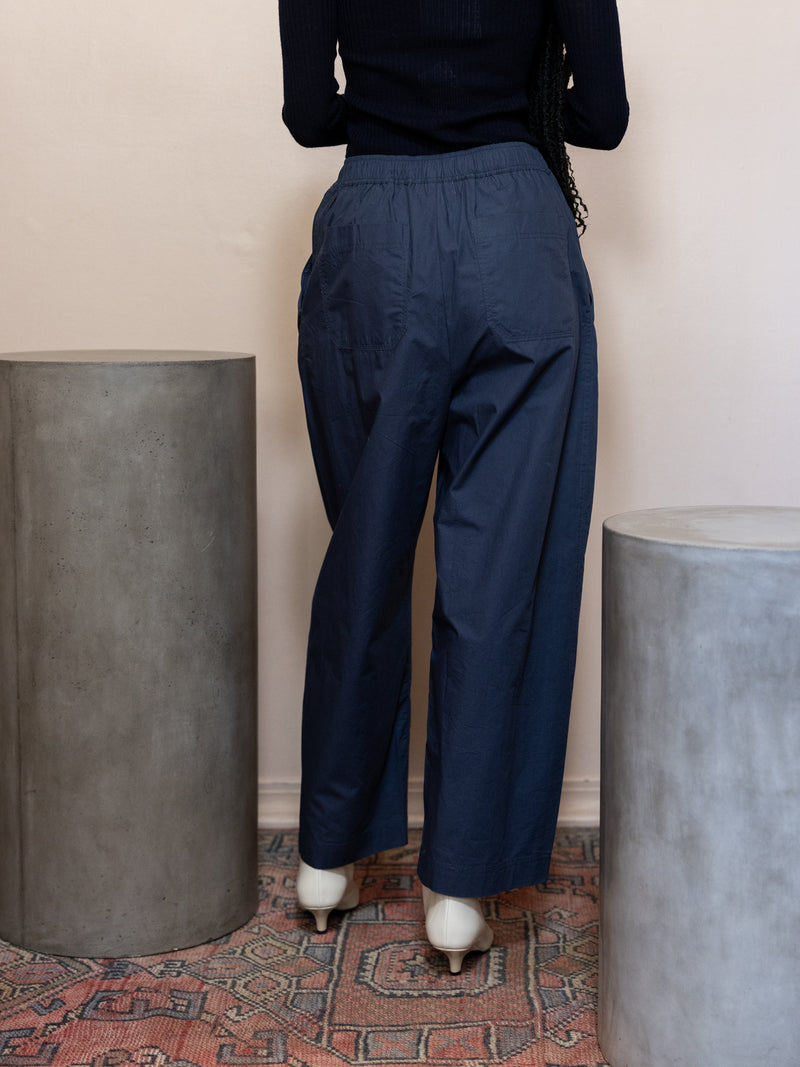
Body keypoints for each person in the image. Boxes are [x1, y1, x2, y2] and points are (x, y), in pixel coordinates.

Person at [279, 0, 628, 973]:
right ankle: (460, 890)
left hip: (372, 234)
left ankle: (326, 856)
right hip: (515, 232)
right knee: (497, 573)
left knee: (365, 552)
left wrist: (394, 106)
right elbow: (601, 116)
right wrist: (505, 103)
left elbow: (307, 114)